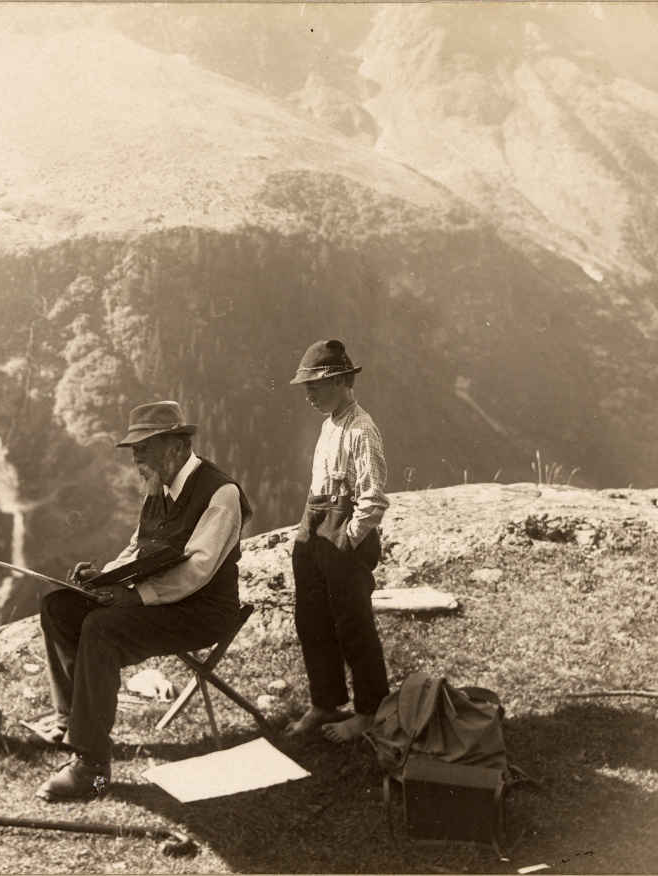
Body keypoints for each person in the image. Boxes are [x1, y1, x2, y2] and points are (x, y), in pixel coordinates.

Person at [33, 400, 252, 801]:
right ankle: (71, 720)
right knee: (59, 607)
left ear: (176, 445)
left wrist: (133, 596)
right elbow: (139, 548)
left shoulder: (221, 493)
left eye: (143, 449)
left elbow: (196, 571)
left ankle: (91, 767)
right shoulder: (159, 486)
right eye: (134, 450)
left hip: (202, 613)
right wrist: (103, 578)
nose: (136, 459)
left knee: (102, 629)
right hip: (159, 603)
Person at [285, 339, 390, 743]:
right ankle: (325, 701)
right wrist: (307, 532)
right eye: (306, 387)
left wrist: (347, 538)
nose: (309, 394)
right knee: (311, 619)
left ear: (342, 381)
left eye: (315, 385)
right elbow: (320, 486)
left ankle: (369, 711)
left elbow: (373, 497)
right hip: (314, 526)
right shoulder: (329, 424)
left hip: (342, 530)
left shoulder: (362, 429)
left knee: (353, 623)